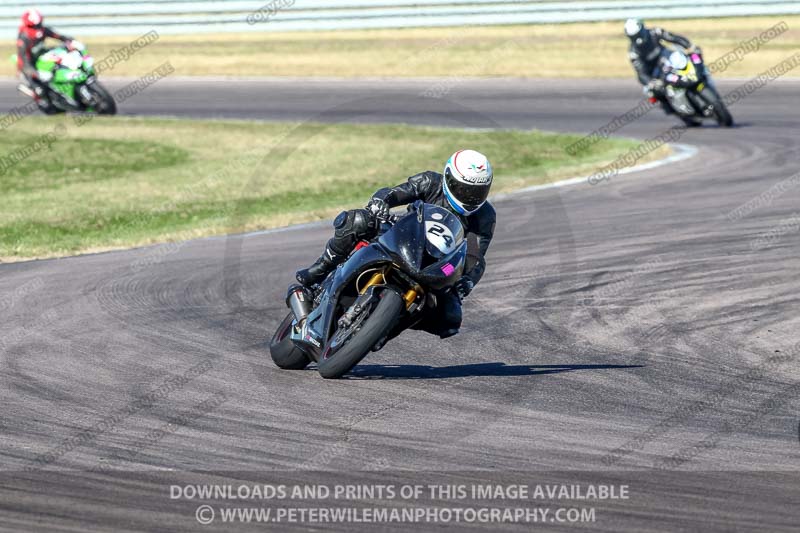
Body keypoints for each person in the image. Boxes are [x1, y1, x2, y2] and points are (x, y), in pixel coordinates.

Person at [294, 149, 496, 339]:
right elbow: (394, 193)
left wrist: (466, 281)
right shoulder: (431, 182)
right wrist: (381, 201)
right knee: (358, 221)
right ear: (448, 178)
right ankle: (320, 269)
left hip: (436, 265)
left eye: (477, 192)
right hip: (402, 236)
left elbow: (474, 256)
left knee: (451, 317)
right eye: (463, 189)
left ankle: (386, 327)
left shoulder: (485, 216)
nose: (469, 197)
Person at [624, 18, 700, 112]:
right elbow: (640, 72)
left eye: (638, 35)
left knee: (688, 58)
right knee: (651, 92)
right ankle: (670, 108)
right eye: (634, 37)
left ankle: (698, 75)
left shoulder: (655, 32)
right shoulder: (633, 52)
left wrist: (689, 46)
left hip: (668, 58)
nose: (638, 39)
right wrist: (650, 82)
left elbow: (673, 38)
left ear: (642, 29)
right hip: (655, 73)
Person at [17, 9, 82, 109]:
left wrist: (69, 40)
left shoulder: (43, 30)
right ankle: (42, 99)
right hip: (30, 65)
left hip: (42, 56)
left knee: (62, 61)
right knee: (40, 89)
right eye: (34, 26)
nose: (37, 28)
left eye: (39, 25)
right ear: (27, 25)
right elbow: (24, 60)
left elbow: (57, 36)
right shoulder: (23, 39)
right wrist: (33, 73)